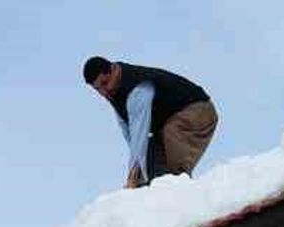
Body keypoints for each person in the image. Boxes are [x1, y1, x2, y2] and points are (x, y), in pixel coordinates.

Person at [83, 57, 219, 188]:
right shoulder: (115, 95)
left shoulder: (137, 88)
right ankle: (152, 191)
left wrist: (132, 176)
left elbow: (139, 134)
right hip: (169, 121)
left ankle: (177, 185)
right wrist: (138, 178)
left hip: (199, 111)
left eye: (105, 83)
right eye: (97, 89)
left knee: (171, 137)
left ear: (113, 69)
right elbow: (131, 138)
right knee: (150, 157)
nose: (103, 92)